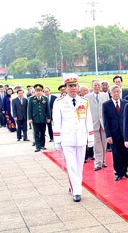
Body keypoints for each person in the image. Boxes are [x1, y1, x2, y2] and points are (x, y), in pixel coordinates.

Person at [53, 73, 94, 202]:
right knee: (71, 165)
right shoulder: (59, 103)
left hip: (81, 138)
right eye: (70, 86)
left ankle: (74, 185)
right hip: (68, 139)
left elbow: (88, 120)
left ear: (78, 87)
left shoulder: (84, 101)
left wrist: (90, 137)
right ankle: (77, 191)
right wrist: (57, 140)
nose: (73, 88)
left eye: (75, 85)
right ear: (65, 87)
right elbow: (57, 122)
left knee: (79, 165)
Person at [103, 85, 128, 181]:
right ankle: (118, 172)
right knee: (116, 154)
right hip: (114, 134)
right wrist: (108, 135)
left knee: (125, 153)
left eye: (117, 92)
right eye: (114, 92)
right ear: (110, 93)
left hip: (125, 133)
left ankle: (125, 170)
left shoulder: (125, 103)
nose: (116, 93)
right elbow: (106, 121)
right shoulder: (106, 105)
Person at [86, 80, 110, 170]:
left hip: (103, 123)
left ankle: (103, 161)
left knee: (104, 143)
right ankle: (98, 162)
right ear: (92, 86)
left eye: (98, 85)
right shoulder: (87, 97)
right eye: (95, 85)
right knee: (97, 143)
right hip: (93, 123)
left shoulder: (105, 95)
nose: (97, 87)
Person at [28, 84, 51, 152]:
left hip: (43, 118)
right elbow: (29, 109)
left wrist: (49, 117)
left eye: (40, 91)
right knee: (36, 133)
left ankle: (42, 145)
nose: (38, 92)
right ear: (35, 92)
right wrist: (30, 118)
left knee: (43, 132)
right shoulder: (32, 99)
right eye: (37, 91)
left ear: (42, 91)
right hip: (35, 119)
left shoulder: (45, 98)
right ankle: (37, 146)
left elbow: (48, 109)